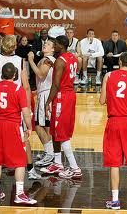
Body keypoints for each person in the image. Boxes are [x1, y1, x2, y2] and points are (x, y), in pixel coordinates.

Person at [0, 35, 40, 187]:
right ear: (15, 47)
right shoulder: (20, 61)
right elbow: (25, 86)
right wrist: (28, 109)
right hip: (15, 106)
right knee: (24, 137)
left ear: (0, 44)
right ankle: (30, 169)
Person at [0, 62, 37, 204]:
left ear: (2, 73)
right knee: (20, 160)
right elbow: (25, 112)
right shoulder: (18, 89)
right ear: (14, 74)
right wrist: (29, 127)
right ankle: (19, 194)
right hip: (13, 126)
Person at [42, 35, 82, 179]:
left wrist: (48, 102)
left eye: (55, 44)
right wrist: (56, 66)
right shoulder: (72, 57)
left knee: (62, 132)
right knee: (55, 129)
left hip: (62, 97)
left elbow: (56, 84)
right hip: (70, 94)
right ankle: (58, 163)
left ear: (60, 45)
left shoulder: (60, 61)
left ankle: (75, 168)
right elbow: (67, 71)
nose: (54, 46)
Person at [99, 52, 127, 210]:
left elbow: (101, 101)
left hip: (114, 121)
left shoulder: (109, 76)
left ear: (119, 62)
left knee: (115, 163)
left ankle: (115, 201)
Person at [28, 39, 55, 167]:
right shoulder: (47, 59)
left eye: (48, 44)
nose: (45, 45)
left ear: (53, 49)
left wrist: (31, 61)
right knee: (46, 125)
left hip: (46, 93)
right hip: (45, 92)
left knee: (38, 125)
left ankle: (50, 153)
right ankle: (50, 152)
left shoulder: (47, 60)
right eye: (45, 43)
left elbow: (40, 74)